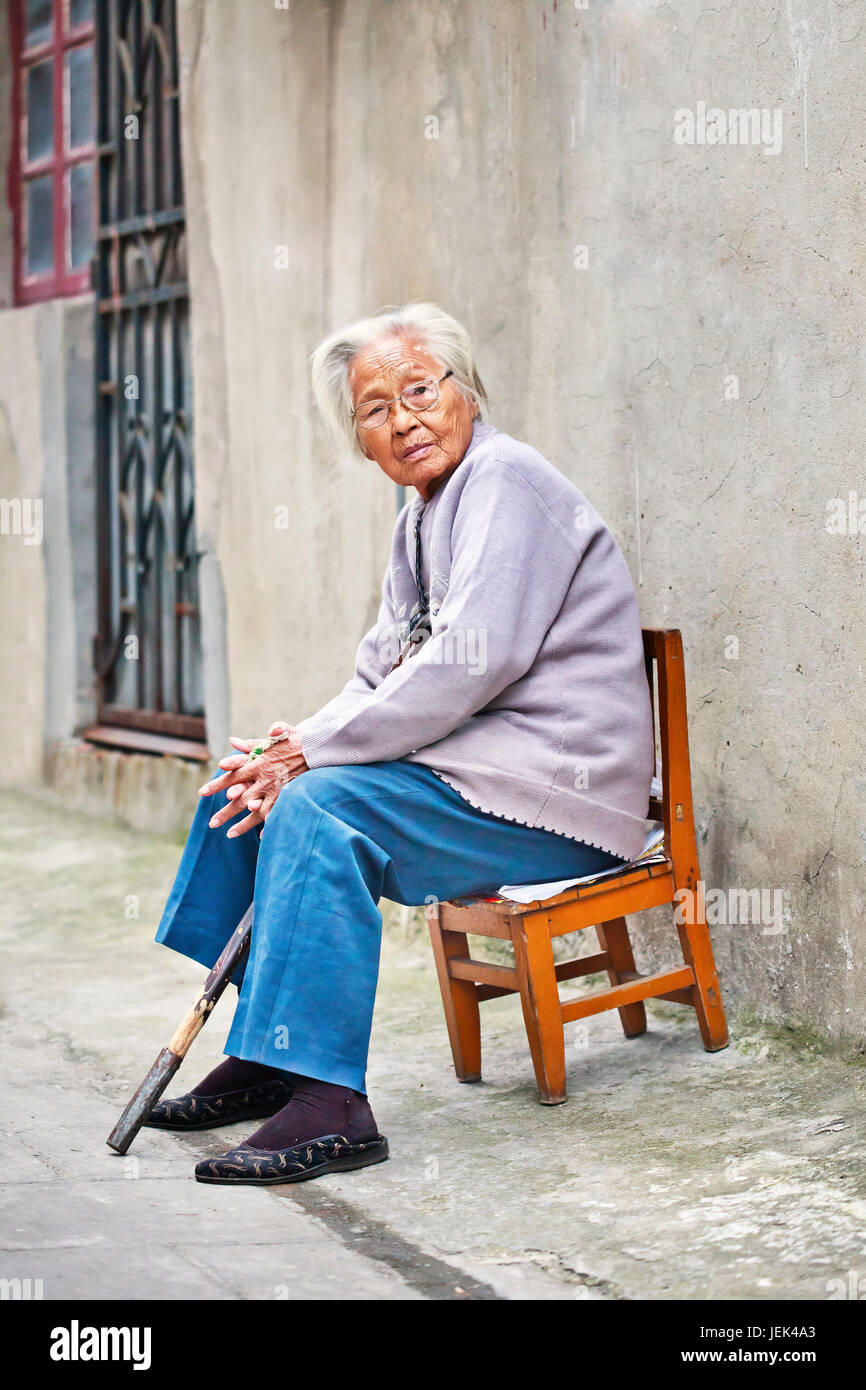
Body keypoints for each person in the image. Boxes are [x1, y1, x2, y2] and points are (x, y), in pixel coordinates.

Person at [148, 302, 655, 1186]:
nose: (403, 420)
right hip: (476, 776)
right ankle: (273, 1051)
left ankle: (330, 1103)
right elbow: (380, 672)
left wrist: (313, 759)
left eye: (419, 390)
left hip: (551, 792)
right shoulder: (421, 514)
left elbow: (466, 666)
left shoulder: (506, 482)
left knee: (320, 808)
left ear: (466, 391)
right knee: (246, 789)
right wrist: (290, 746)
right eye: (376, 410)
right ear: (361, 439)